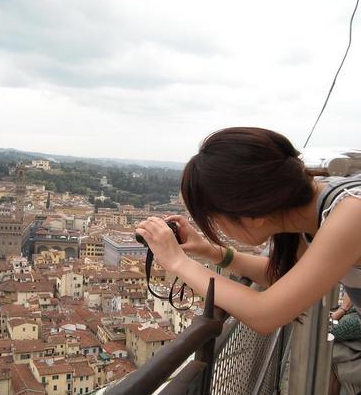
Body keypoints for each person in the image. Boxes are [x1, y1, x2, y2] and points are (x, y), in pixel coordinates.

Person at [136, 127, 361, 338]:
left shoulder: (351, 214)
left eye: (214, 220)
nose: (217, 228)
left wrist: (178, 262)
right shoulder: (314, 209)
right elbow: (281, 275)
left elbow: (264, 314)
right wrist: (211, 251)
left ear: (252, 215)